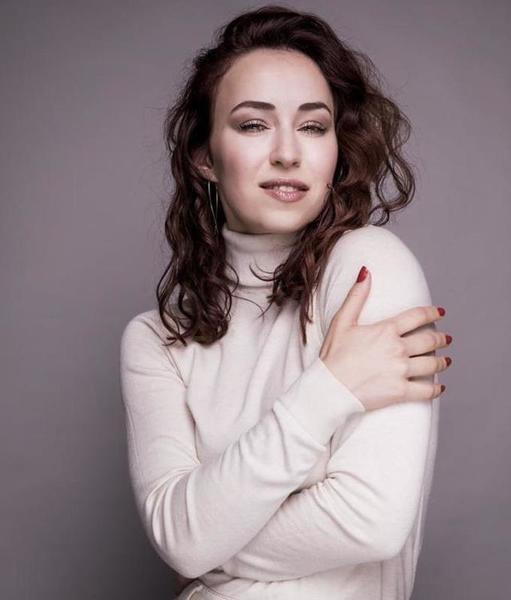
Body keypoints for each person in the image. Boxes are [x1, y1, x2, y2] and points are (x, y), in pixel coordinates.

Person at [119, 5, 453, 599]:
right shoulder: (156, 340)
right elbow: (178, 539)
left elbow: (370, 521)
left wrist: (207, 549)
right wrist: (329, 388)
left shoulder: (367, 270)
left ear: (336, 148)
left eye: (313, 126)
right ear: (204, 156)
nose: (287, 153)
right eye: (253, 125)